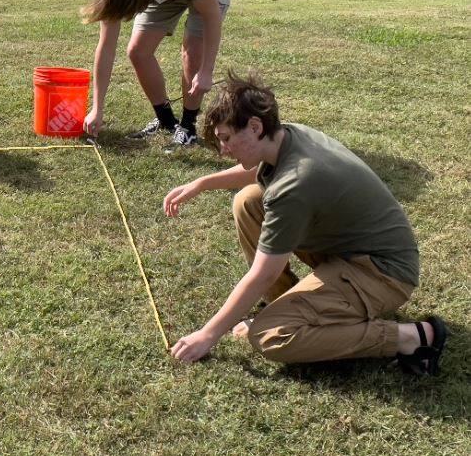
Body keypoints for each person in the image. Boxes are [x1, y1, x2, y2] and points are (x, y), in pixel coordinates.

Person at [162, 71, 447, 375]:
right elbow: (256, 168)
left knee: (271, 335)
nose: (223, 150)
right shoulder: (287, 134)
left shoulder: (294, 185)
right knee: (248, 201)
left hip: (384, 274)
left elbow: (263, 274)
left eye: (226, 139)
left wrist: (207, 335)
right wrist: (202, 183)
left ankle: (411, 337)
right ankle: (285, 303)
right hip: (353, 251)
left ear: (255, 126)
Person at [81, 0, 235, 147]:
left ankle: (188, 127)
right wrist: (97, 107)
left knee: (192, 51)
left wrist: (206, 71)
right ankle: (166, 121)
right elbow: (106, 47)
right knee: (138, 52)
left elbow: (211, 16)